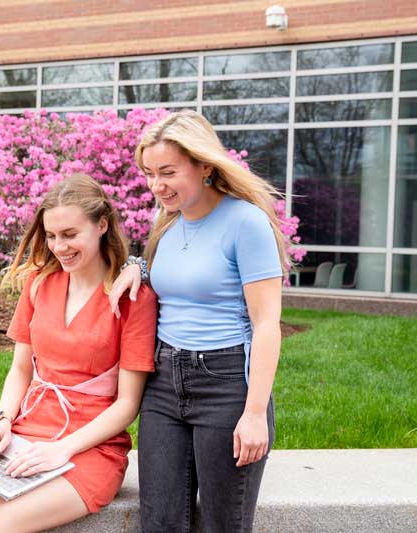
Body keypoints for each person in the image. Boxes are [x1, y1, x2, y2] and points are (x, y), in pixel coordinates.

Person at [0, 173, 158, 533]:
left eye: (69, 234)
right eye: (51, 236)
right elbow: (21, 369)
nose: (58, 246)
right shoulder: (39, 284)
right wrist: (1, 420)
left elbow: (127, 405)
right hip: (25, 432)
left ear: (102, 225)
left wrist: (62, 449)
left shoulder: (132, 297)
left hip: (90, 447)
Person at [108, 110, 289, 533]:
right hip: (163, 383)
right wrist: (139, 265)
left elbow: (267, 324)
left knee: (224, 524)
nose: (156, 186)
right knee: (160, 522)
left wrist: (255, 413)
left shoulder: (247, 223)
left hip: (226, 383)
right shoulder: (166, 221)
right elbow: (183, 274)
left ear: (205, 165)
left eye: (168, 172)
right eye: (150, 173)